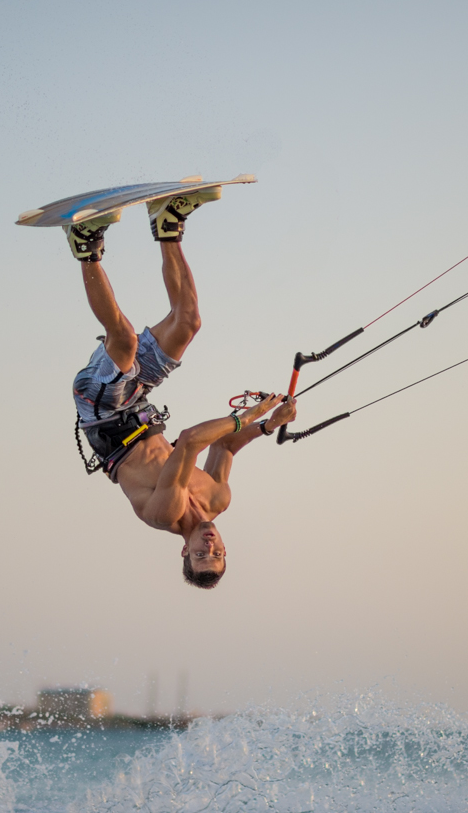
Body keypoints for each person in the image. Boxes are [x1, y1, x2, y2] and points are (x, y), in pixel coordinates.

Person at [68, 189, 297, 589]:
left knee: (122, 339)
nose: (210, 547)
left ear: (184, 552)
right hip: (139, 402)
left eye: (201, 555)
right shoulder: (217, 498)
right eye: (218, 553)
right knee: (188, 321)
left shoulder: (164, 513)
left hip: (103, 413)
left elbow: (191, 440)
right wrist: (267, 426)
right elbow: (224, 447)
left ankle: (85, 245)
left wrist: (248, 416)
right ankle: (167, 226)